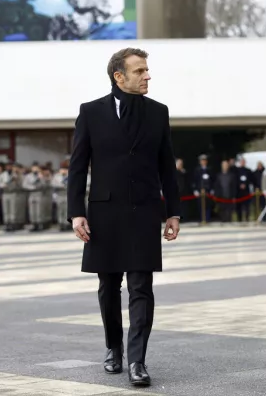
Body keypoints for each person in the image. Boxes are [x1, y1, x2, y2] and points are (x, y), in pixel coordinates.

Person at [67, 47, 181, 387]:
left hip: (145, 211)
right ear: (120, 76)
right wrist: (76, 212)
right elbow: (77, 166)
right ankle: (113, 348)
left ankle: (138, 361)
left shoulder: (159, 112)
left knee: (141, 287)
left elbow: (166, 166)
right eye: (141, 70)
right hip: (105, 212)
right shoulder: (91, 112)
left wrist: (172, 211)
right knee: (108, 286)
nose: (148, 75)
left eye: (147, 70)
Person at [235, 157, 253, 222]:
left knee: (247, 206)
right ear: (240, 162)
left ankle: (247, 218)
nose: (242, 163)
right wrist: (240, 185)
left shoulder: (248, 170)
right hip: (239, 192)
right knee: (239, 206)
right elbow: (235, 180)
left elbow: (251, 180)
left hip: (246, 191)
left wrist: (245, 184)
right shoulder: (236, 171)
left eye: (243, 161)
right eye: (241, 161)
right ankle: (239, 219)